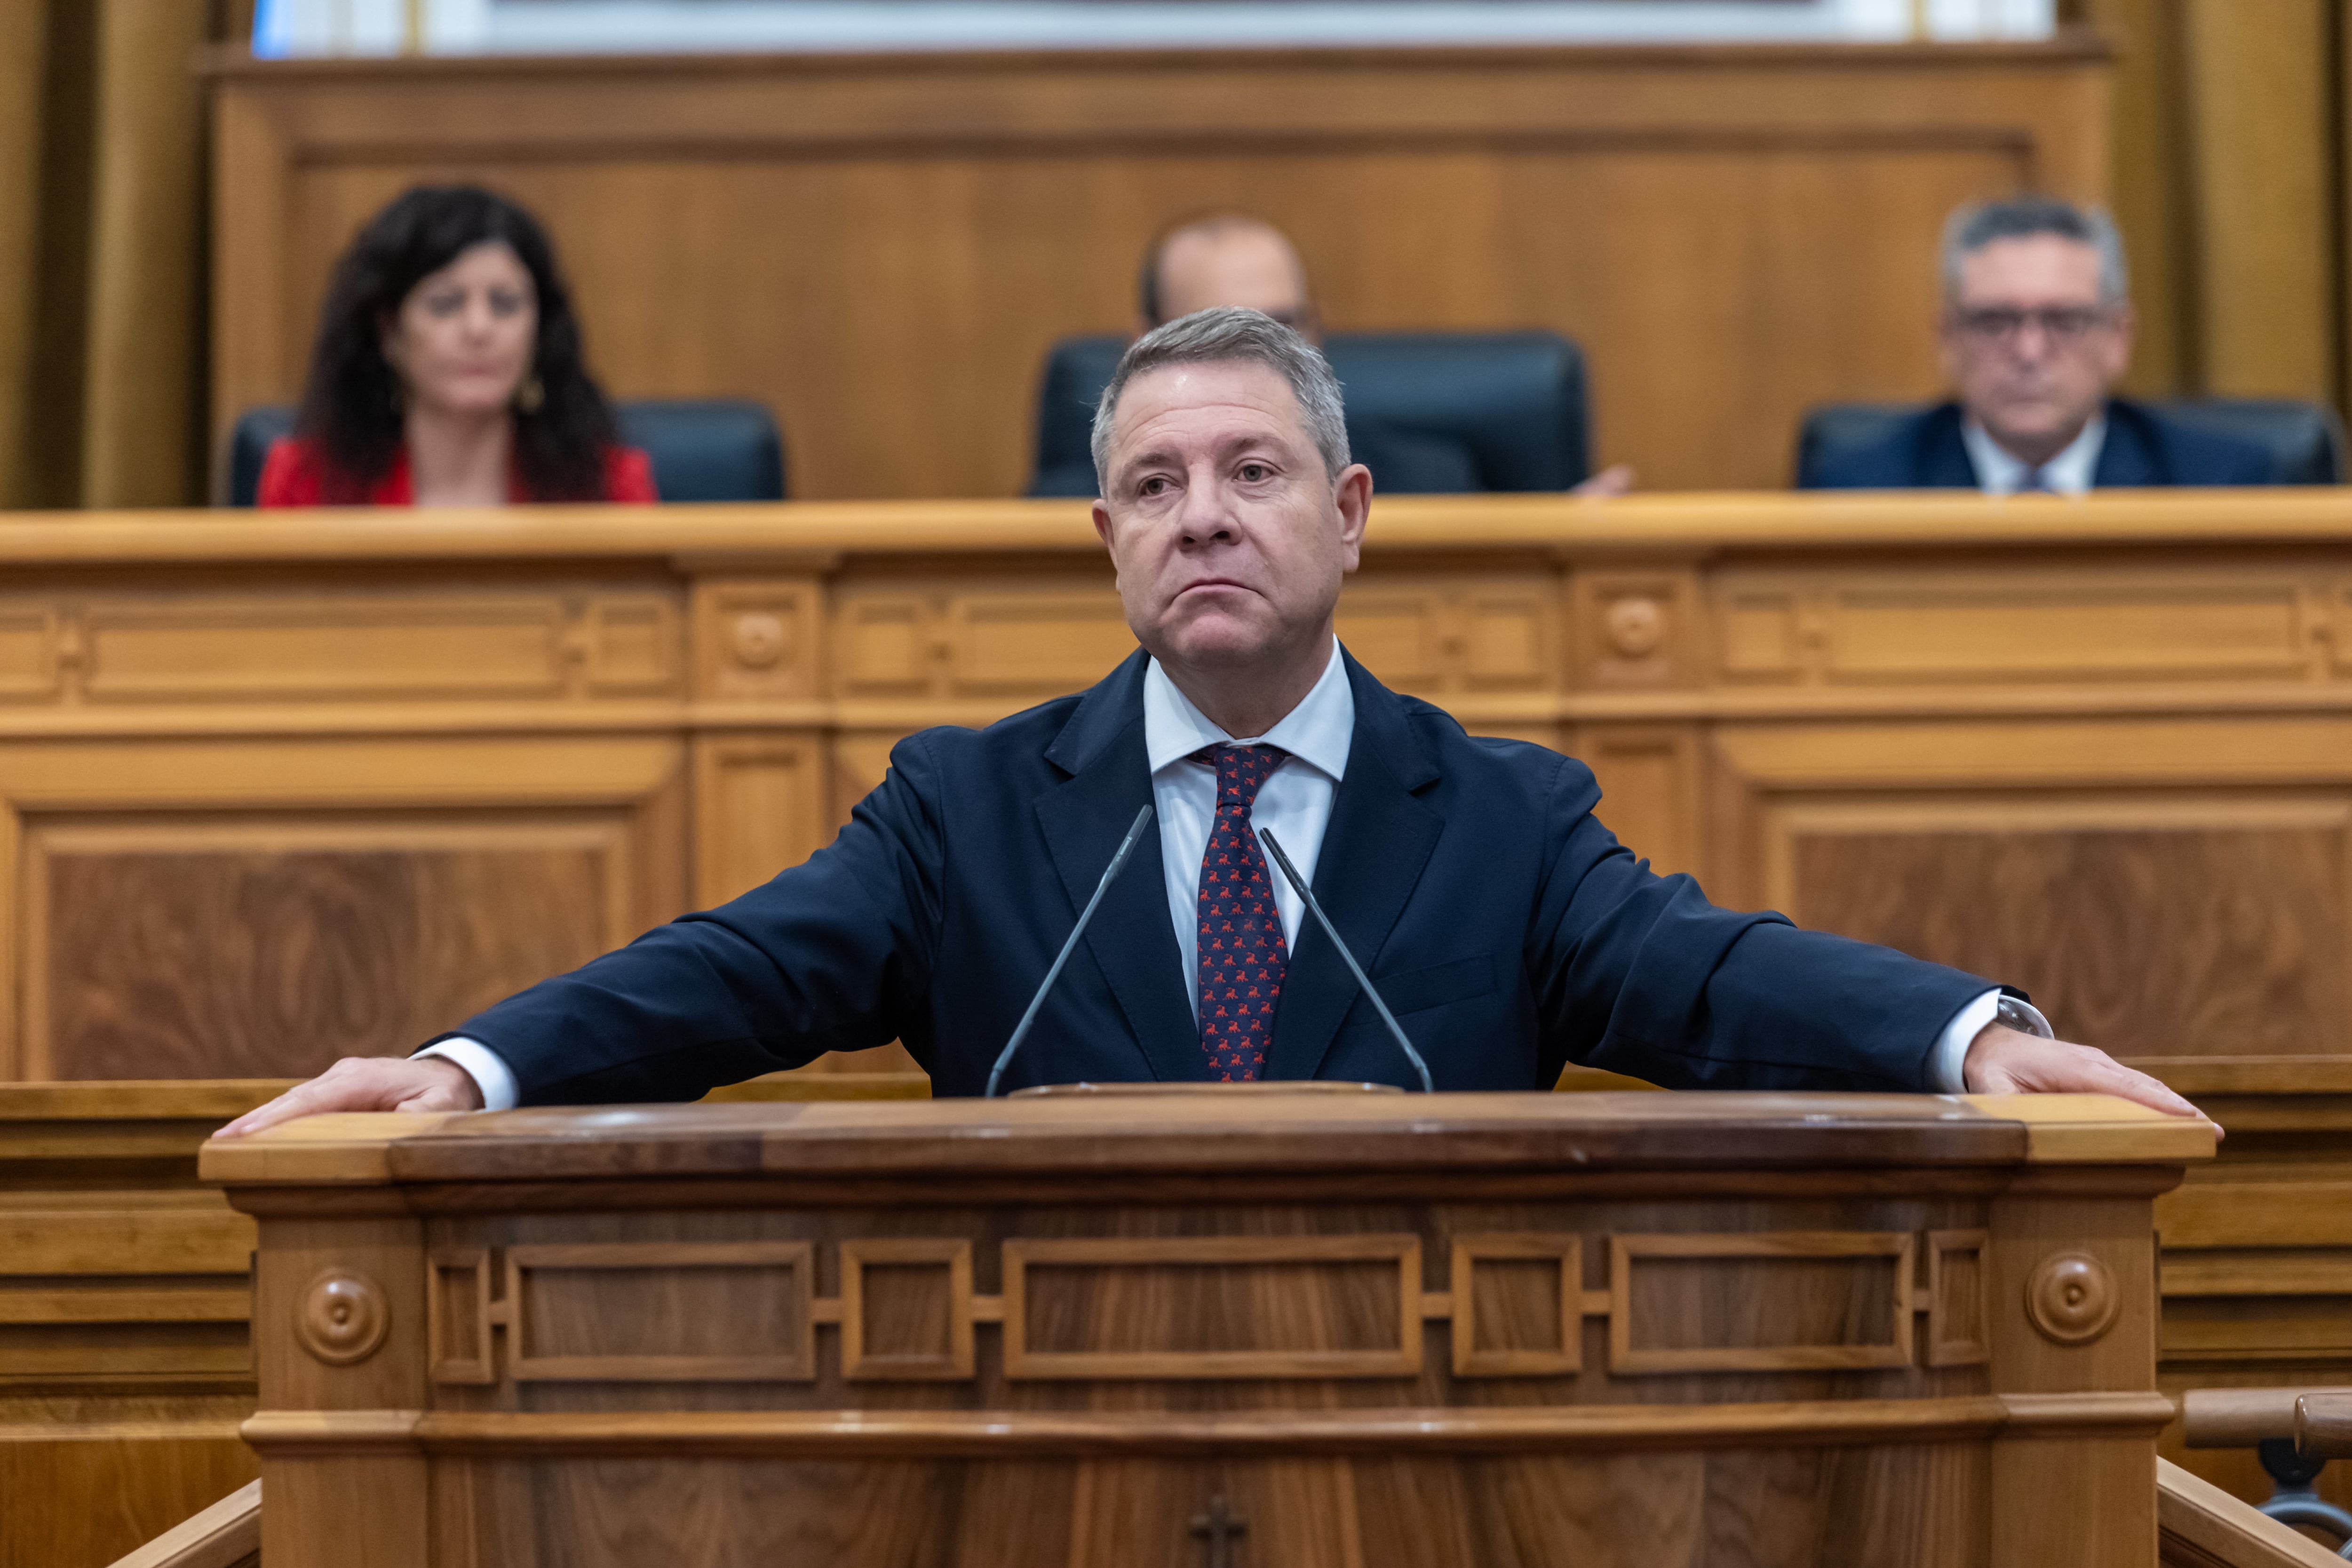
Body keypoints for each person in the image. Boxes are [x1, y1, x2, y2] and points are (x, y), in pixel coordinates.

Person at [220, 307, 2201, 1135]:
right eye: (1157, 488)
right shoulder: (969, 806)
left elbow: (1699, 972)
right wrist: (467, 1070)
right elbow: (731, 971)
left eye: (1252, 472)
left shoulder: (1499, 813)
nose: (1203, 518)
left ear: (1348, 518)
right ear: (1104, 543)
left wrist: (1968, 1038)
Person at [1031, 213, 1634, 498]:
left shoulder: (1427, 485)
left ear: (1317, 330)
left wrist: (1552, 543)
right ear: (1144, 344)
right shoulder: (1063, 516)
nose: (1264, 354)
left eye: (1283, 324)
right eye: (1218, 330)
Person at [1803, 195, 2273, 493]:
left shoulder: (2216, 483)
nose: (2028, 352)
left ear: (2117, 339)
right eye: (1994, 322)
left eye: (2063, 320)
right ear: (1948, 341)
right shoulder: (1863, 489)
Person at [258, 185, 656, 508]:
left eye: (505, 304)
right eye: (446, 304)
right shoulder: (306, 485)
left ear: (539, 329)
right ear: (389, 332)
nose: (479, 329)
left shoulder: (610, 488)